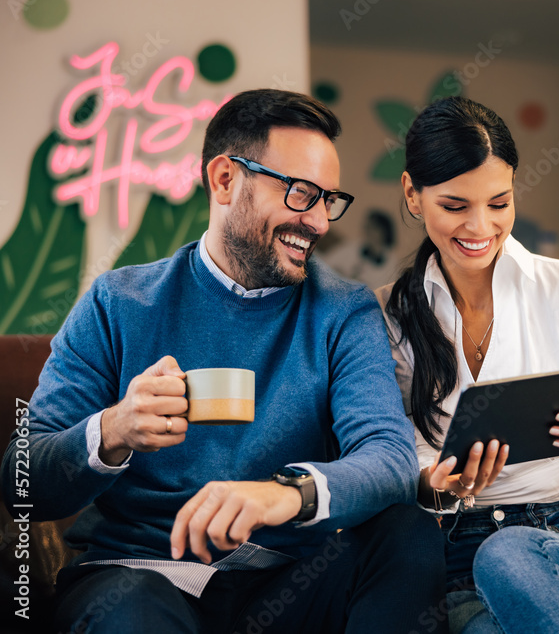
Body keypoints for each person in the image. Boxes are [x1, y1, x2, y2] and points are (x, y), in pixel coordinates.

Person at [1, 89, 445, 633]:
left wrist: (285, 494)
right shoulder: (117, 303)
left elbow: (390, 458)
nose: (321, 223)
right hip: (139, 577)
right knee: (132, 611)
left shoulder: (343, 311)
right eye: (302, 193)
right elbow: (21, 481)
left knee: (407, 533)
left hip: (288, 584)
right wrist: (113, 429)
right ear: (224, 180)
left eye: (329, 199)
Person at [378, 96, 559, 634]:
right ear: (413, 195)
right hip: (462, 561)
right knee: (495, 569)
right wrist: (435, 487)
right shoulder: (386, 314)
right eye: (455, 206)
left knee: (508, 552)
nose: (480, 226)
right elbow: (390, 458)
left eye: (499, 203)